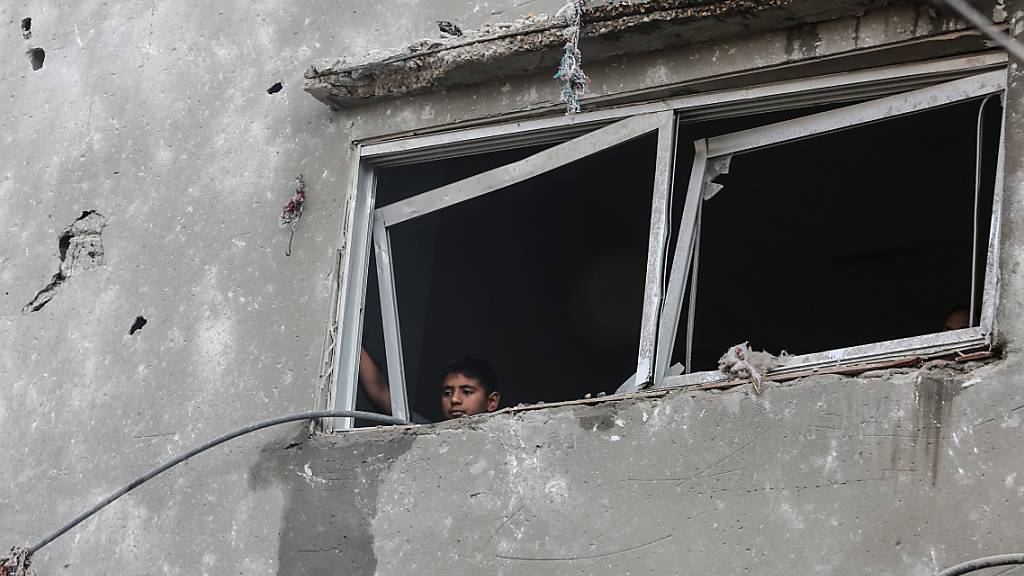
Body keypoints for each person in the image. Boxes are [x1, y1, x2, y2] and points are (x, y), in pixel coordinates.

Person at [359, 348, 501, 421]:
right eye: (447, 393)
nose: (454, 400)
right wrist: (352, 338)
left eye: (467, 391)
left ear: (491, 402)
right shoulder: (428, 434)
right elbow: (381, 395)